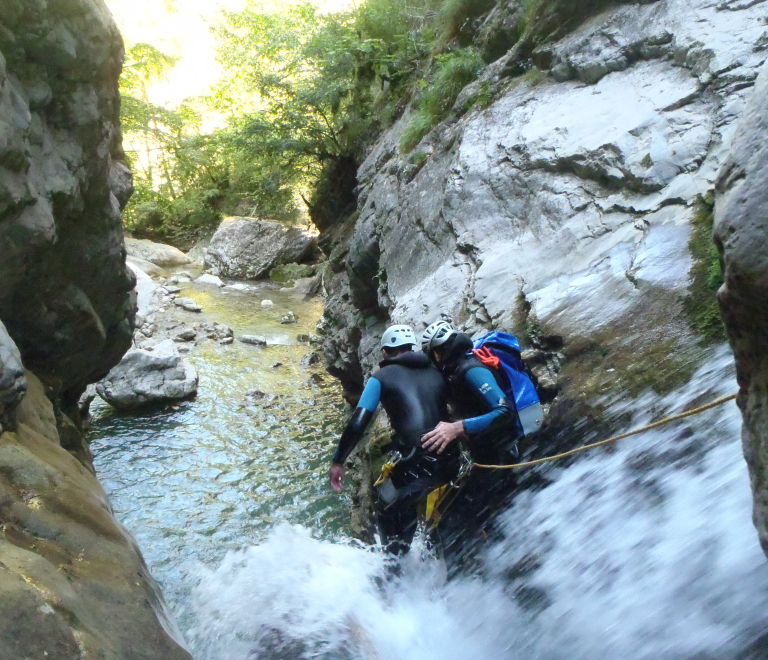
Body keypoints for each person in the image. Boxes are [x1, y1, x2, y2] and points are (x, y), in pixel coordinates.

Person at [330, 324, 459, 553]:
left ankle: (394, 567)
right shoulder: (435, 371)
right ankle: (428, 544)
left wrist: (338, 460)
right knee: (409, 495)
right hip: (451, 459)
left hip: (421, 464)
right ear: (411, 347)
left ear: (385, 352)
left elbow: (359, 421)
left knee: (387, 502)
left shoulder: (380, 378)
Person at [420, 320, 523, 464]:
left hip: (512, 450)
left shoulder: (471, 369)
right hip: (495, 452)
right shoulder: (458, 372)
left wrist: (457, 428)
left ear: (437, 354)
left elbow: (505, 411)